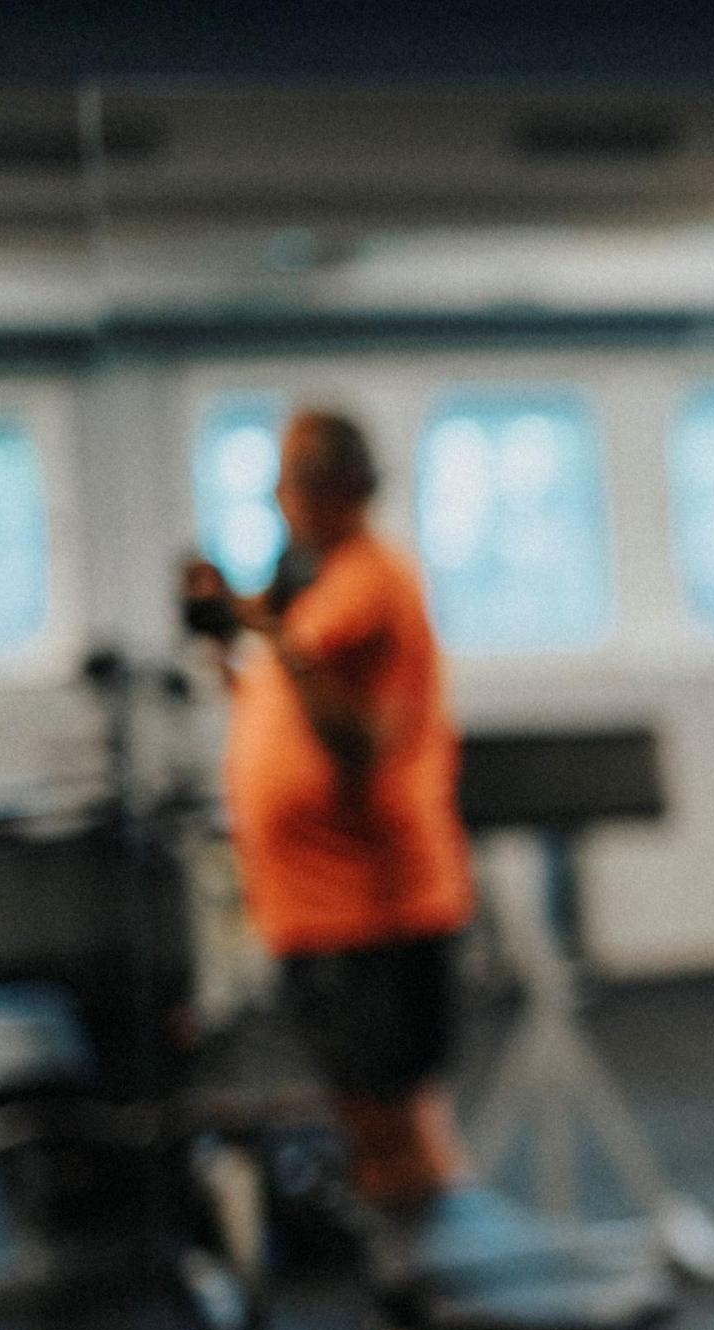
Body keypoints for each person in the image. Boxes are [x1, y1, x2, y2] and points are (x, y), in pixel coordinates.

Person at [183, 409, 477, 1213]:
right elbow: (275, 715)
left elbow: (358, 743)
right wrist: (229, 639)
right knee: (372, 1119)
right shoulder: (321, 595)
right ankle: (426, 1303)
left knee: (395, 1127)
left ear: (342, 487)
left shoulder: (372, 584)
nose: (282, 500)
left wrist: (282, 637)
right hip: (320, 907)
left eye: (294, 480)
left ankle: (442, 1307)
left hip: (371, 908)